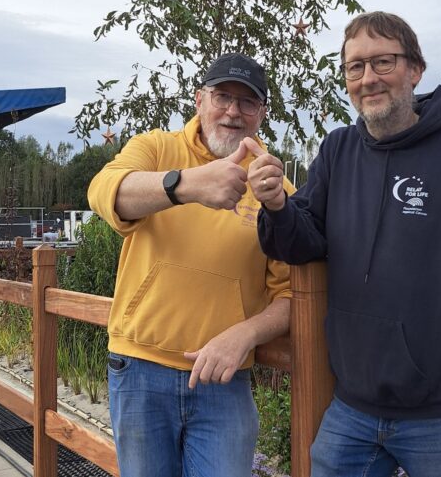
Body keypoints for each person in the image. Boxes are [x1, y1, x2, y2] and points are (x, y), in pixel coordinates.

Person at [249, 12, 441, 476]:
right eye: (355, 68)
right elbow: (300, 244)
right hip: (351, 412)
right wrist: (277, 205)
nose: (368, 79)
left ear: (415, 69)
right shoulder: (337, 150)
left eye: (382, 62)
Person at [88, 53, 294, 477]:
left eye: (247, 102)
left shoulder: (275, 187)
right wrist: (185, 185)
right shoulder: (157, 148)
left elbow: (292, 294)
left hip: (225, 378)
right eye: (222, 96)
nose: (233, 111)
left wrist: (246, 334)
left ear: (262, 115)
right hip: (139, 368)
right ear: (199, 100)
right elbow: (104, 192)